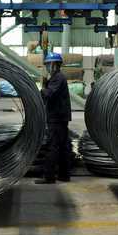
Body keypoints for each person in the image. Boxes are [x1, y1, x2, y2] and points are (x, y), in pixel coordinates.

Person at [35, 52, 72, 184]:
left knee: (53, 146)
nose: (47, 67)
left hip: (56, 117)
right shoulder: (57, 77)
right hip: (61, 116)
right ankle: (64, 175)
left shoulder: (58, 78)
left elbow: (49, 93)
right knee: (62, 145)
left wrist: (38, 91)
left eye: (48, 64)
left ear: (55, 65)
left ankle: (49, 177)